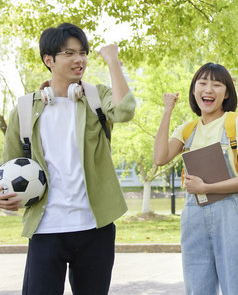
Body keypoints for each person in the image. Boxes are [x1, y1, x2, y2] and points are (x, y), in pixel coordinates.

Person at [0, 23, 136, 295]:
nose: (80, 59)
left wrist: (112, 61)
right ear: (48, 60)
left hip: (94, 227)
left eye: (83, 53)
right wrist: (5, 200)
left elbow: (125, 111)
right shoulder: (25, 108)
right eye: (70, 53)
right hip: (46, 227)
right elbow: (8, 167)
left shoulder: (96, 97)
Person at [153, 63, 238, 295]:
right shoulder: (187, 130)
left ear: (227, 93)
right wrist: (167, 111)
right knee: (197, 289)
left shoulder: (235, 123)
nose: (208, 89)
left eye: (216, 84)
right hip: (194, 216)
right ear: (193, 90)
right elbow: (160, 157)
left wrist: (207, 187)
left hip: (232, 214)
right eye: (202, 83)